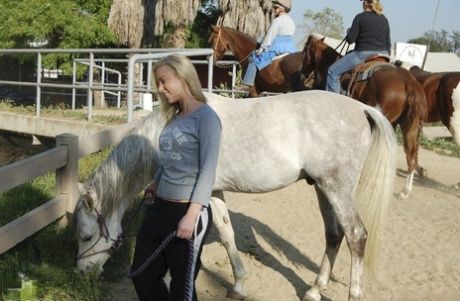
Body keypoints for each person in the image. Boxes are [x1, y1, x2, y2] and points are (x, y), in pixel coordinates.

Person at [130, 54, 221, 301]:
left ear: (182, 77)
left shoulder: (207, 119)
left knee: (182, 288)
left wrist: (191, 217)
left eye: (163, 81)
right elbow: (170, 159)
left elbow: (207, 171)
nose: (160, 88)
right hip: (160, 207)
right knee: (142, 273)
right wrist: (156, 182)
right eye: (157, 83)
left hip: (186, 212)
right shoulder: (174, 118)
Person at [325, 0, 391, 94]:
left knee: (332, 72)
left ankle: (334, 102)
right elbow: (388, 43)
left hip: (363, 54)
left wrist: (349, 32)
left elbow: (350, 40)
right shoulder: (384, 19)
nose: (362, 2)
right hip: (384, 54)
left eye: (363, 0)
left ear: (366, 3)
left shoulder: (360, 17)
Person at [234, 0, 296, 92]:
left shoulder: (277, 21)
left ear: (282, 9)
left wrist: (261, 49)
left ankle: (247, 84)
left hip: (278, 48)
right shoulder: (291, 21)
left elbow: (269, 37)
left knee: (254, 58)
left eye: (276, 8)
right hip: (291, 48)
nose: (274, 10)